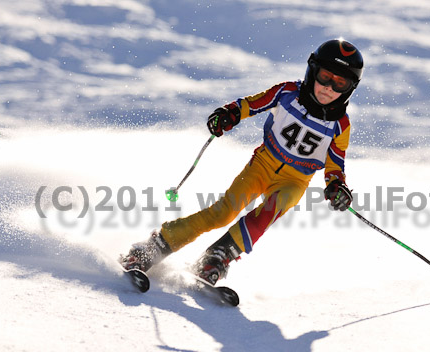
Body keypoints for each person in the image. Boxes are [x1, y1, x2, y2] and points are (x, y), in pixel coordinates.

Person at [121, 39, 364, 286]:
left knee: (268, 212)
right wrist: (229, 114)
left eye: (340, 83)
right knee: (223, 213)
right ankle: (154, 246)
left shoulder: (340, 126)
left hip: (295, 181)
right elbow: (251, 104)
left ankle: (218, 256)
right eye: (325, 77)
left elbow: (335, 164)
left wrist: (336, 186)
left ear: (349, 88)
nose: (328, 87)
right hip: (263, 165)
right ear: (313, 71)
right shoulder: (287, 93)